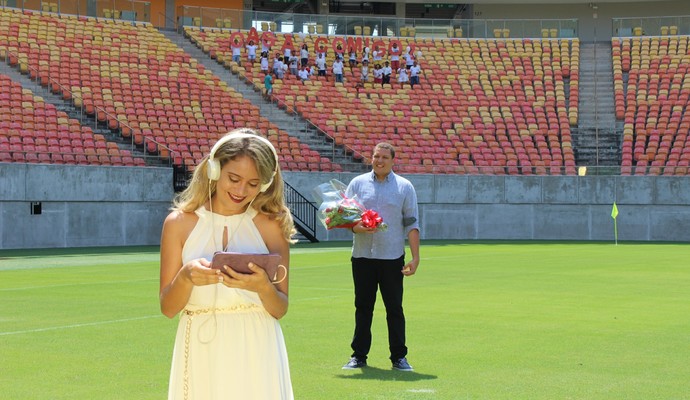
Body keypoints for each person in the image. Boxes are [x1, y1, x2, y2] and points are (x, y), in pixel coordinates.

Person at [160, 129, 296, 399]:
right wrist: (186, 277)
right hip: (200, 345)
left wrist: (262, 287)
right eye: (233, 178)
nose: (241, 190)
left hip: (258, 346)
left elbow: (280, 308)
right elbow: (167, 308)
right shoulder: (178, 223)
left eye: (253, 183)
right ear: (213, 170)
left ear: (265, 185)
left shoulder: (272, 225)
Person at [342, 142, 420, 372]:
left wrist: (415, 258)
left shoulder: (405, 187)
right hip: (363, 256)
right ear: (372, 158)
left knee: (394, 308)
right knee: (363, 307)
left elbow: (412, 223)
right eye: (376, 156)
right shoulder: (357, 184)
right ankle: (358, 356)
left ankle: (399, 357)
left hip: (392, 257)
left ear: (393, 160)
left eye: (385, 157)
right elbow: (344, 215)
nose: (380, 160)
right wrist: (356, 228)